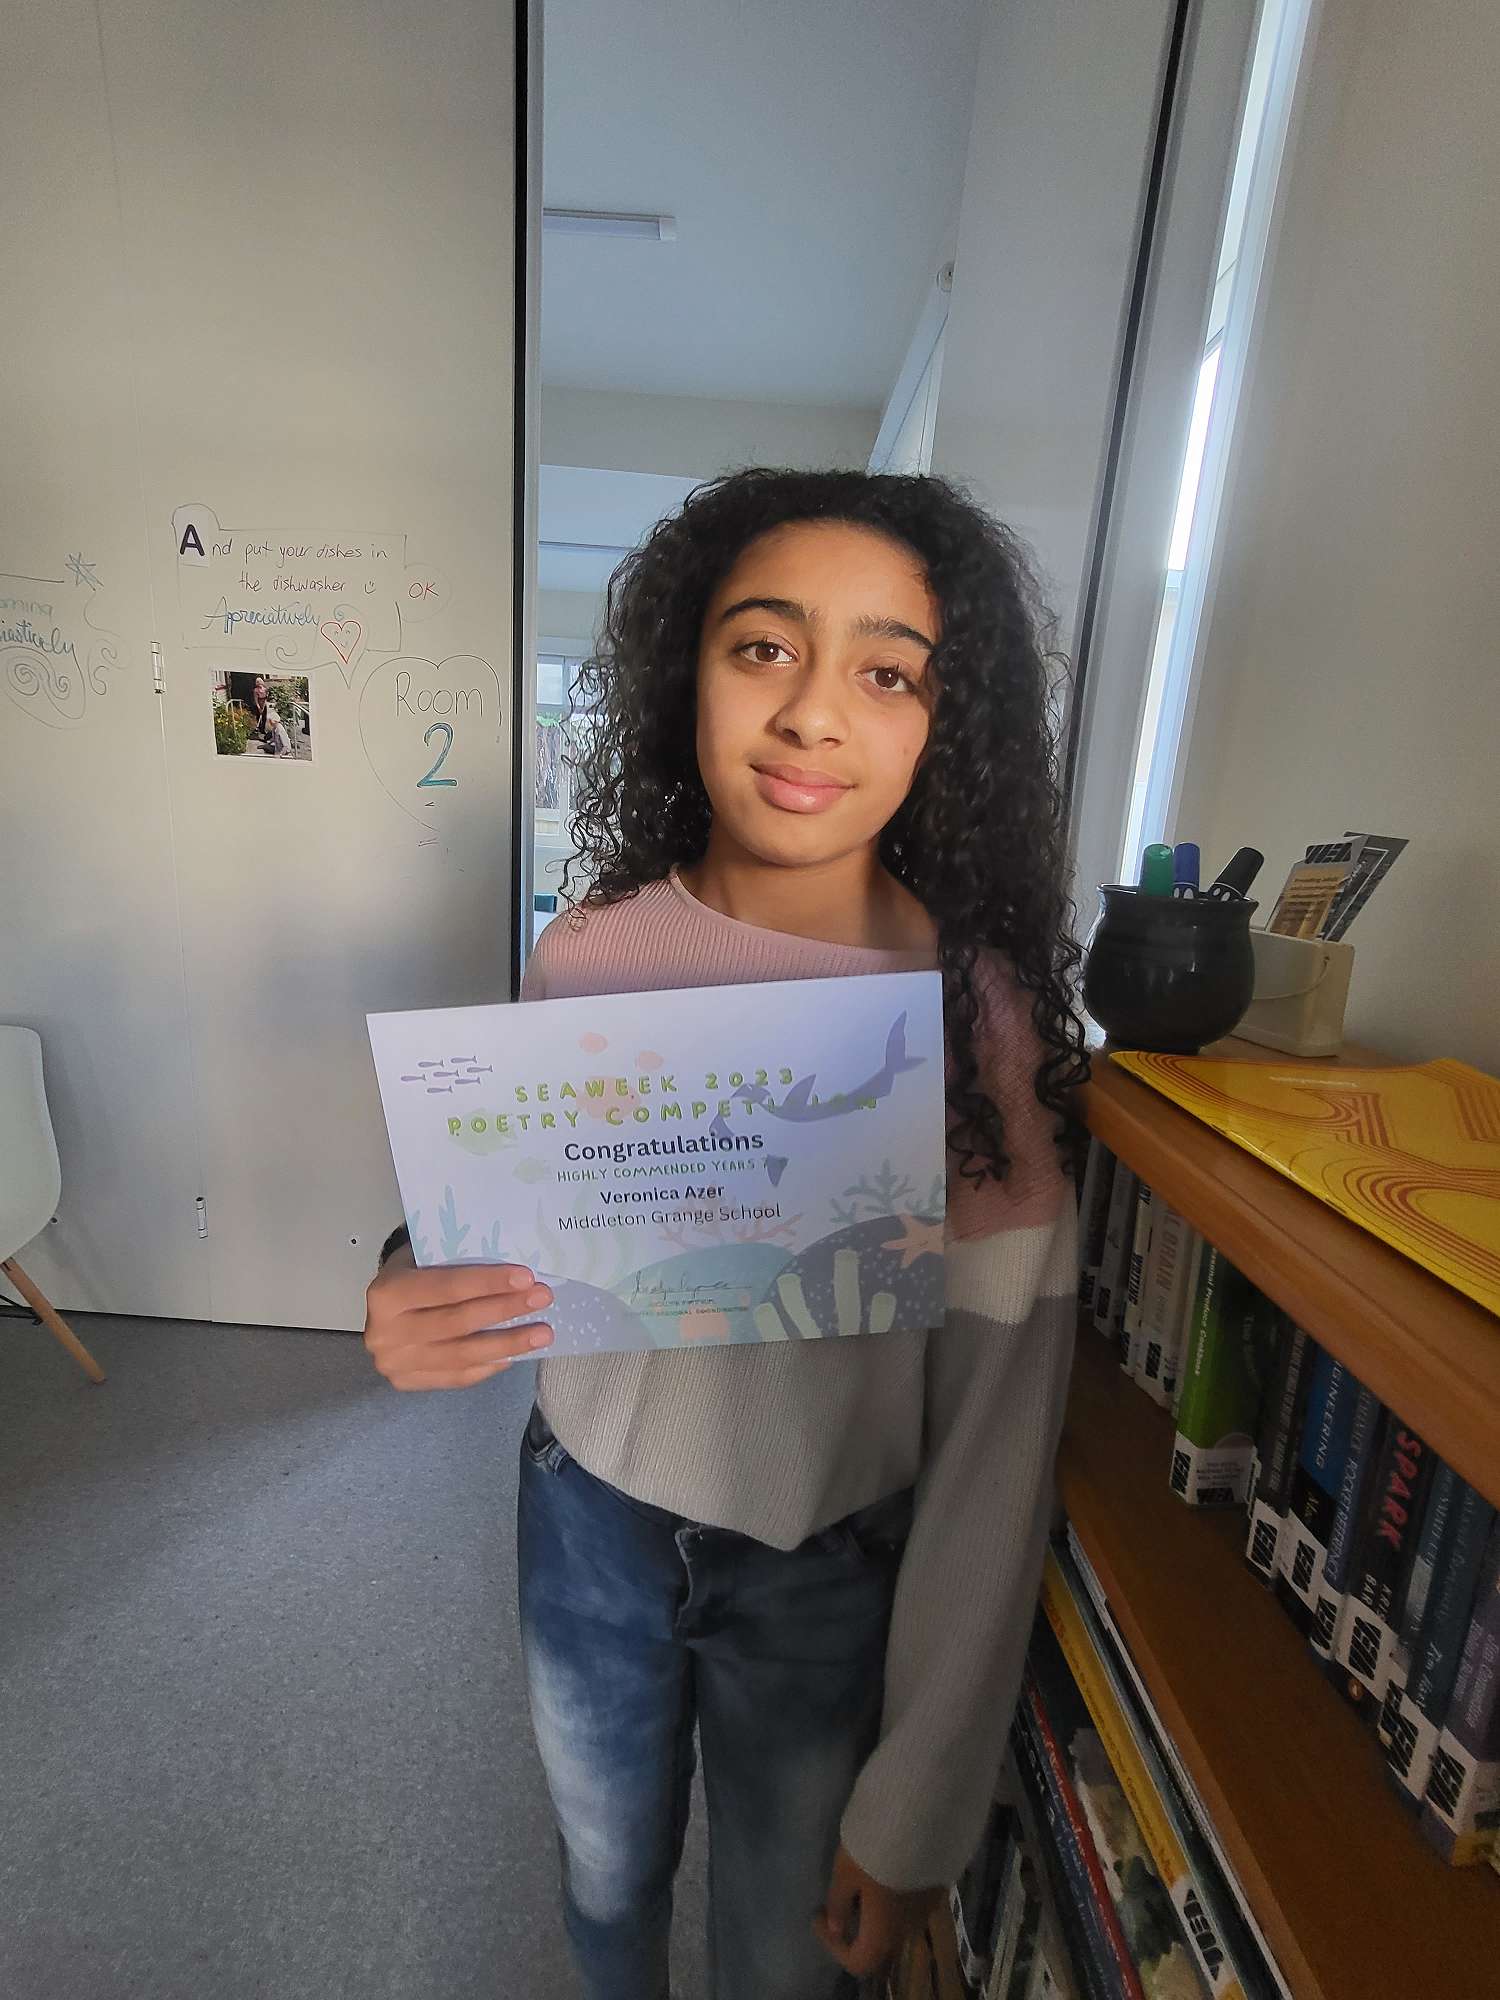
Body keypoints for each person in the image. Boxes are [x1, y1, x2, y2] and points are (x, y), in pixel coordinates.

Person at [363, 468, 1088, 2000]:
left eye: (886, 673)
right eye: (765, 648)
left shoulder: (974, 1018)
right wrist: (406, 1278)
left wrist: (918, 1805)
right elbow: (516, 1219)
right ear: (684, 671)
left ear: (946, 723)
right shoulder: (591, 952)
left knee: (782, 1957)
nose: (812, 713)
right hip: (588, 1522)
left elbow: (997, 1435)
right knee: (605, 1888)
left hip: (827, 1567)